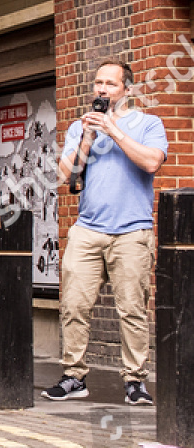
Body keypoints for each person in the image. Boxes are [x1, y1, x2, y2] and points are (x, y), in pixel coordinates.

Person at [45, 60, 166, 406]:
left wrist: (114, 131)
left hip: (132, 232)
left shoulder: (148, 124)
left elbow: (151, 162)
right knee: (73, 305)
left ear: (127, 90)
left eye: (111, 84)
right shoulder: (80, 127)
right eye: (98, 82)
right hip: (88, 229)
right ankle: (74, 376)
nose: (102, 89)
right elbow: (64, 175)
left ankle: (135, 381)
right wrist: (87, 138)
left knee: (132, 309)